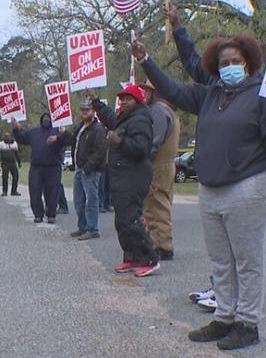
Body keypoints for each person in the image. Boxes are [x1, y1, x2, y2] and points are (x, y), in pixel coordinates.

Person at [133, 33, 266, 350]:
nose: (230, 66)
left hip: (248, 186)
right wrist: (145, 61)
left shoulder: (263, 96)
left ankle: (247, 323)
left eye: (236, 61)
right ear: (216, 67)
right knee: (221, 260)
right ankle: (224, 317)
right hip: (211, 190)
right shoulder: (210, 94)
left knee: (247, 261)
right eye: (224, 63)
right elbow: (172, 90)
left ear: (248, 63)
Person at [91, 85, 159, 277]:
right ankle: (132, 257)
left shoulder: (141, 120)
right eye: (122, 99)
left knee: (131, 220)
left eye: (128, 99)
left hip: (134, 176)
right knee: (122, 221)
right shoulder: (125, 118)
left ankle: (149, 259)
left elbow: (142, 149)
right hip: (122, 175)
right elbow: (110, 119)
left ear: (137, 101)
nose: (123, 102)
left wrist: (120, 142)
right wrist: (96, 102)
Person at [138, 81, 180, 261]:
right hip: (167, 163)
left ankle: (162, 246)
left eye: (148, 91)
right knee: (161, 202)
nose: (144, 94)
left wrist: (143, 158)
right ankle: (160, 241)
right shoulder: (170, 111)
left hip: (158, 164)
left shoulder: (157, 110)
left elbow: (154, 140)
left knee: (156, 205)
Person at [57, 102, 107, 240]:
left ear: (93, 111)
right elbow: (71, 141)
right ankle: (82, 227)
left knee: (91, 200)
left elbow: (100, 151)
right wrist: (63, 132)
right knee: (78, 200)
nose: (85, 112)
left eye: (88, 110)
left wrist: (88, 167)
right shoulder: (80, 127)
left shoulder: (98, 129)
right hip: (80, 169)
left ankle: (92, 229)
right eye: (82, 109)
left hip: (90, 170)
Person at [12, 113, 66, 224]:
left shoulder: (58, 131)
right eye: (44, 118)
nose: (46, 119)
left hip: (53, 167)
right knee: (35, 191)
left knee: (52, 192)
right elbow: (21, 138)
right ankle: (38, 214)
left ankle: (51, 214)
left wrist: (62, 134)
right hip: (37, 167)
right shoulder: (34, 132)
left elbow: (66, 141)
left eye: (48, 118)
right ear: (41, 120)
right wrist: (16, 129)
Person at [0, 133, 21, 197]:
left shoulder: (14, 143)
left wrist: (19, 162)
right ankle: (4, 191)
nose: (7, 138)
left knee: (16, 176)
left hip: (13, 163)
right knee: (5, 177)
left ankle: (14, 191)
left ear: (10, 137)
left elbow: (17, 154)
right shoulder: (1, 144)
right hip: (4, 163)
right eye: (6, 137)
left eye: (8, 137)